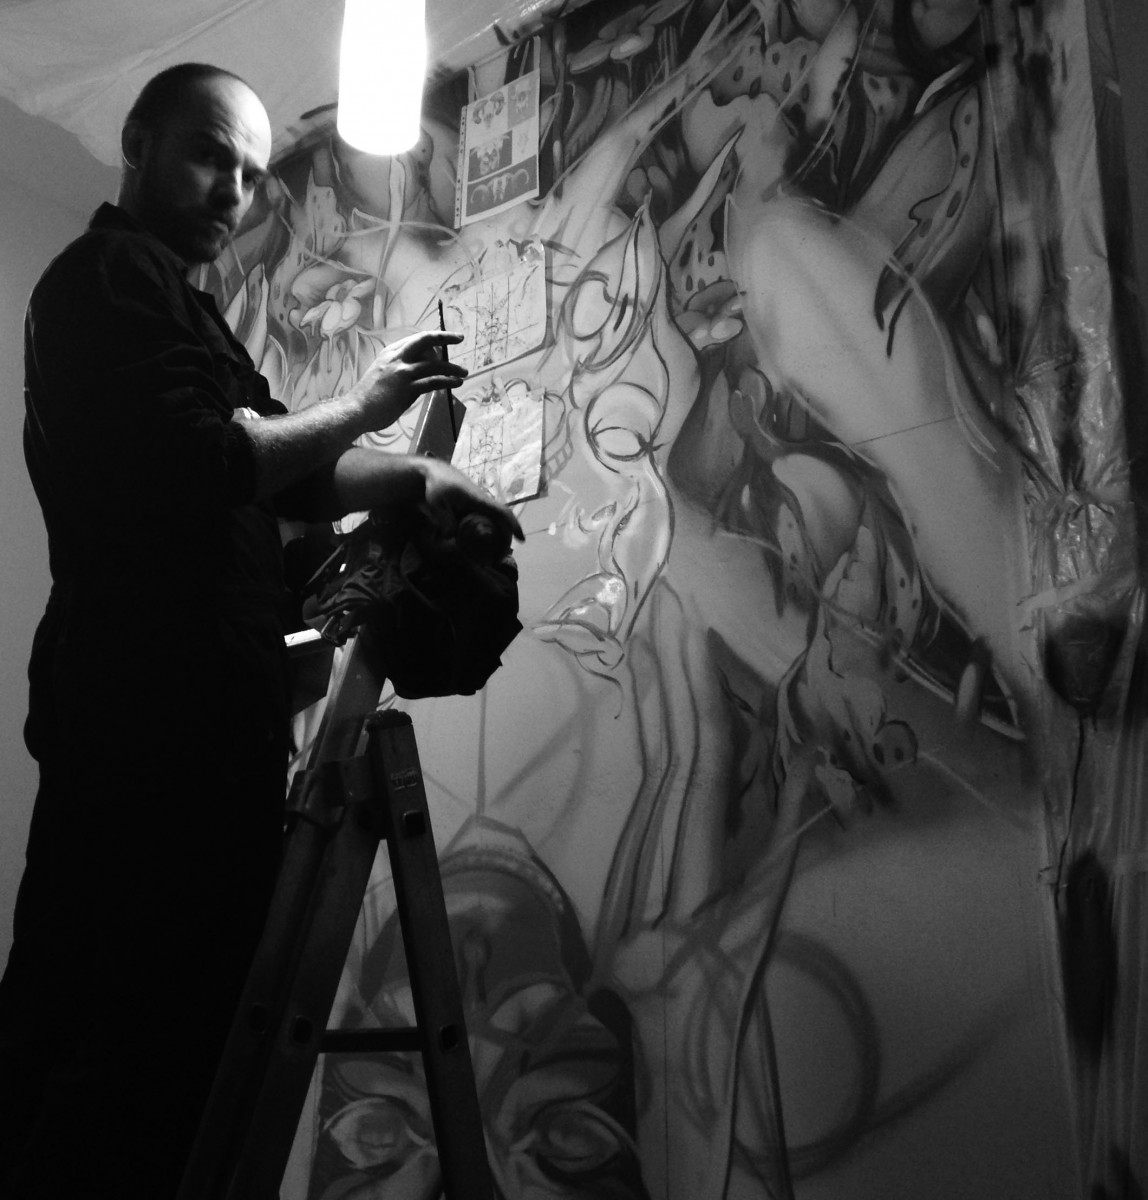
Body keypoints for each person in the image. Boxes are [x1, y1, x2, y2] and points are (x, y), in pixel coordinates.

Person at [0, 62, 521, 1198]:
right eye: (207, 154)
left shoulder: (192, 316)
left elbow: (290, 472)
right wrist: (369, 414)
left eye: (247, 171)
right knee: (115, 1055)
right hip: (146, 730)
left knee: (164, 1052)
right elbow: (208, 460)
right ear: (136, 141)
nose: (231, 190)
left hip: (205, 726)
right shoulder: (105, 278)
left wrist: (417, 479)